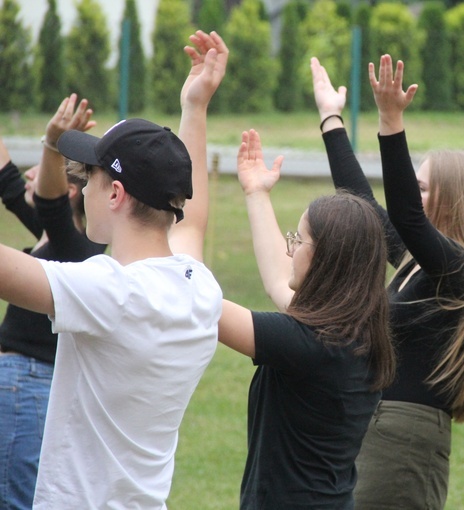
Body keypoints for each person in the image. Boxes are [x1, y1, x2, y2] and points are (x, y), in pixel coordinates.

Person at [0, 31, 227, 509]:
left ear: (116, 195)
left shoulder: (111, 291)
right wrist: (195, 106)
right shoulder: (199, 287)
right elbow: (192, 217)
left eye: (89, 178)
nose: (80, 189)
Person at [310, 54, 464, 509]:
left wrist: (390, 121)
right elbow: (364, 205)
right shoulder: (417, 261)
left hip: (407, 436)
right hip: (382, 424)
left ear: (455, 199)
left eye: (425, 187)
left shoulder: (461, 271)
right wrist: (330, 118)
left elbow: (407, 217)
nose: (415, 194)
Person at [216, 128, 396, 509]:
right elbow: (280, 281)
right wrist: (257, 193)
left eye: (298, 240)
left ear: (326, 258)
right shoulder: (355, 335)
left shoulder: (309, 344)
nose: (290, 247)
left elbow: (202, 308)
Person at [0, 95, 106, 509]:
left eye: (42, 173)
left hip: (29, 386)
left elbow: (49, 204)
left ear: (72, 191)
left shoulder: (77, 249)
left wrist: (51, 144)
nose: (30, 176)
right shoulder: (52, 237)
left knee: (16, 500)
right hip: (23, 384)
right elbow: (8, 181)